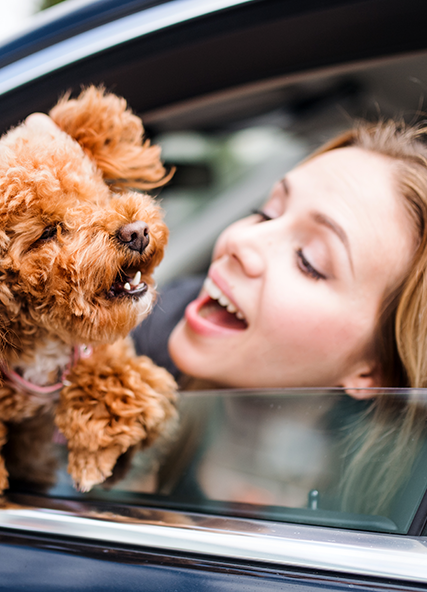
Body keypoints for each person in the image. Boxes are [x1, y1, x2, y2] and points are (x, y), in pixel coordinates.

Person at [131, 119, 427, 517]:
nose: (240, 240)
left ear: (373, 371)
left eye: (310, 262)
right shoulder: (134, 343)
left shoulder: (379, 529)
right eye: (266, 213)